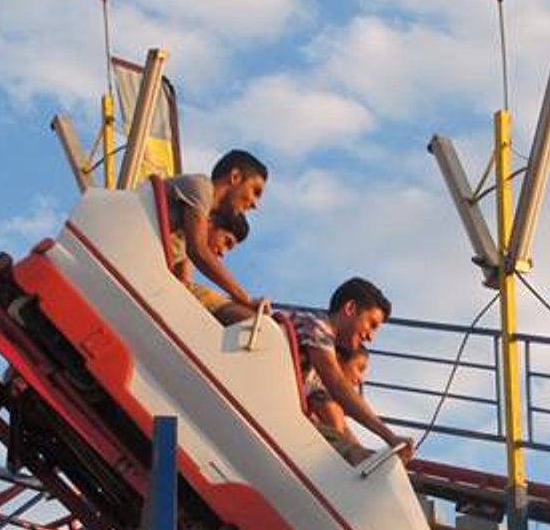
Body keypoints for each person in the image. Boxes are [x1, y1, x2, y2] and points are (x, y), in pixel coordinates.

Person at [286, 279, 413, 463]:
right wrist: (389, 437)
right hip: (286, 417)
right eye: (372, 324)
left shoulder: (315, 356)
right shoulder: (317, 327)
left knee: (354, 453)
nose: (370, 337)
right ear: (350, 308)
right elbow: (338, 386)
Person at [164, 171, 262, 324]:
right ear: (210, 221)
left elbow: (184, 286)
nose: (223, 252)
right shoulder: (201, 187)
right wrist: (245, 299)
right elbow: (198, 251)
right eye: (227, 242)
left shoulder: (183, 241)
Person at [308, 343, 370, 452]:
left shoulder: (324, 394)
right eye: (359, 369)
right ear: (337, 360)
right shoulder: (321, 395)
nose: (361, 379)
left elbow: (351, 443)